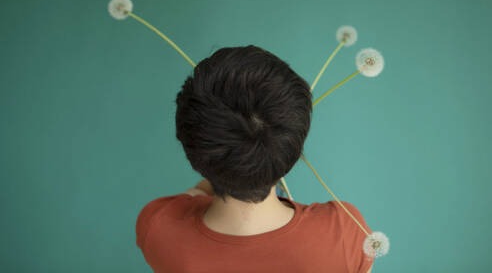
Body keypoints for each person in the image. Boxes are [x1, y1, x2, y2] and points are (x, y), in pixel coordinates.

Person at [136, 45, 374, 272]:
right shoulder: (347, 234)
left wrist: (212, 181)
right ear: (292, 147)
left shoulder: (157, 228)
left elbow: (188, 200)